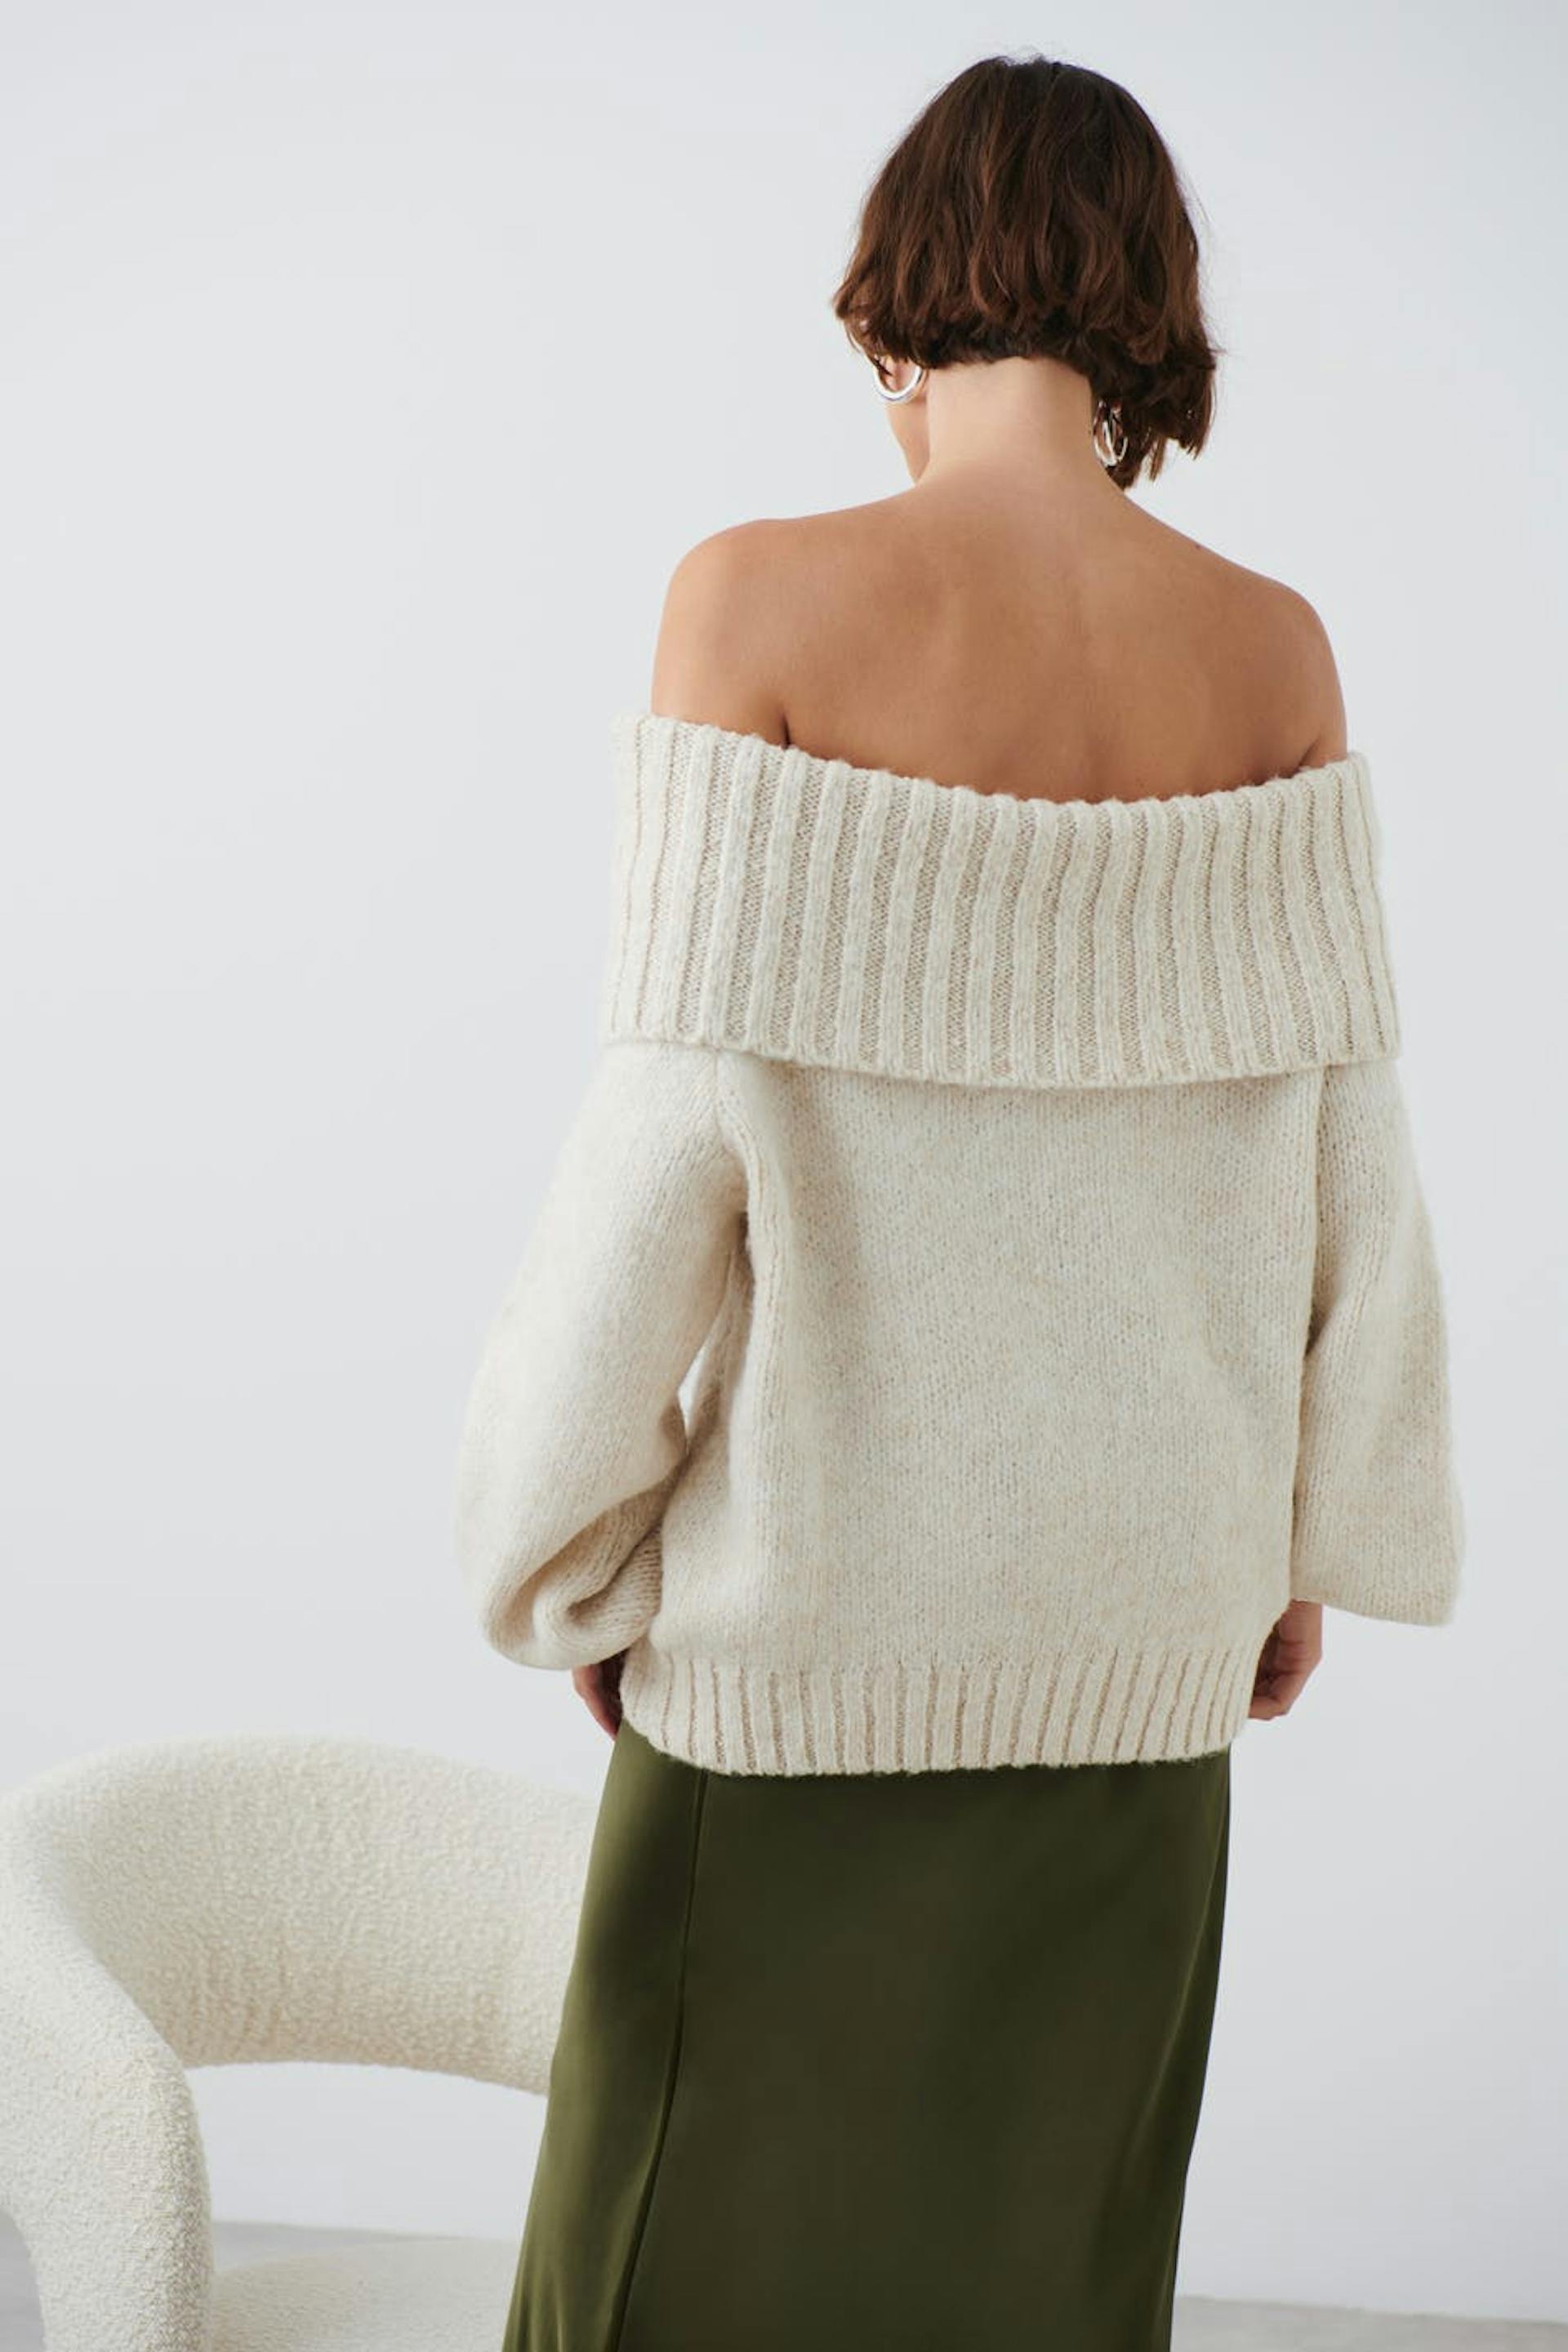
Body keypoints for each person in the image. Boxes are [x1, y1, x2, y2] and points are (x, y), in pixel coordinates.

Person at [452, 50, 1463, 2352]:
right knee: (1043, 2288)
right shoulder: (1276, 652)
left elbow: (666, 1142)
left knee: (662, 2285)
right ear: (1151, 311)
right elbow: (1351, 1163)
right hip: (1144, 1659)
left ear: (894, 304)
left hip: (795, 1658)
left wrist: (559, 1547)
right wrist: (1313, 1543)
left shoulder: (754, 601)